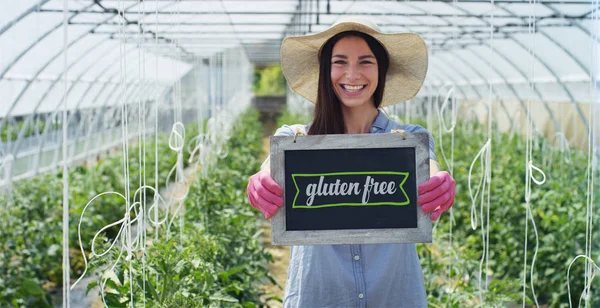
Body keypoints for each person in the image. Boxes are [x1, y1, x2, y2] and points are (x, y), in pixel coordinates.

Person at [246, 17, 456, 307]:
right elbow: (269, 168)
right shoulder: (295, 140)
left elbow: (429, 170)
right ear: (325, 71)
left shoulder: (409, 140)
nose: (353, 74)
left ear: (381, 70)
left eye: (366, 62)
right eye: (340, 62)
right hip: (317, 296)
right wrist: (259, 182)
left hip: (392, 296)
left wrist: (439, 182)